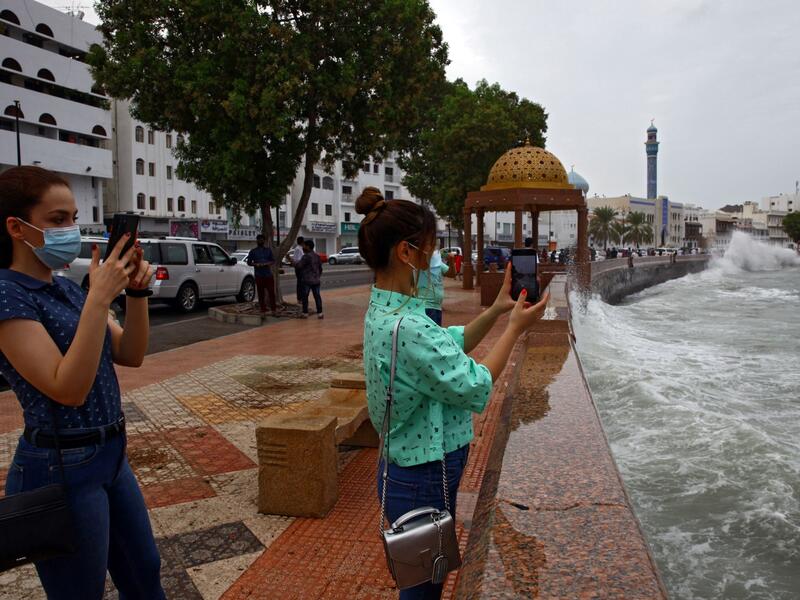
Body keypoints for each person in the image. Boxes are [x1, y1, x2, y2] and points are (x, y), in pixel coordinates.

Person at [355, 186, 549, 600]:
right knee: (424, 591)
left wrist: (498, 309)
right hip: (421, 479)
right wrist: (515, 329)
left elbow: (448, 344)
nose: (435, 260)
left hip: (410, 471)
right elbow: (474, 384)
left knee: (425, 581)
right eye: (430, 249)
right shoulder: (408, 327)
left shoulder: (387, 310)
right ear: (406, 253)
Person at [0, 167, 164, 599]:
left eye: (73, 218)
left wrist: (136, 294)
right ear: (17, 227)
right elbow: (66, 388)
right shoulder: (7, 294)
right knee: (80, 591)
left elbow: (130, 353)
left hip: (111, 453)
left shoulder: (68, 289)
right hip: (60, 464)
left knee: (145, 573)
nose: (70, 230)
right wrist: (99, 297)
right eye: (57, 220)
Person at [245, 234, 277, 314]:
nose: (260, 241)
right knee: (261, 293)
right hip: (259, 275)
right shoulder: (253, 251)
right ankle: (263, 310)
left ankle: (274, 310)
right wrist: (256, 264)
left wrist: (267, 263)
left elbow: (273, 261)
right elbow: (249, 262)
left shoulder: (268, 250)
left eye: (262, 239)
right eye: (259, 239)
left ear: (264, 241)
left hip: (268, 275)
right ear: (257, 241)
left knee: (271, 292)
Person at [416, 248, 449, 326]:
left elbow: (451, 274)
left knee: (436, 331)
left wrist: (452, 260)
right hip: (426, 305)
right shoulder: (418, 263)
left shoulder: (437, 263)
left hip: (437, 306)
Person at [296, 239, 323, 319]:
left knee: (305, 297)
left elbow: (299, 266)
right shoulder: (317, 256)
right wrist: (317, 276)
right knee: (317, 296)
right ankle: (320, 313)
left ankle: (305, 313)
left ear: (308, 247)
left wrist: (291, 260)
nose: (303, 247)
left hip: (306, 280)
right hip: (316, 280)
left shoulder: (306, 256)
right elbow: (320, 269)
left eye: (304, 246)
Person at [290, 236, 305, 303]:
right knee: (300, 283)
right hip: (299, 268)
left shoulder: (300, 248)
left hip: (301, 267)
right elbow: (298, 259)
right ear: (302, 242)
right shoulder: (298, 249)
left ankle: (301, 297)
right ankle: (299, 298)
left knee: (302, 283)